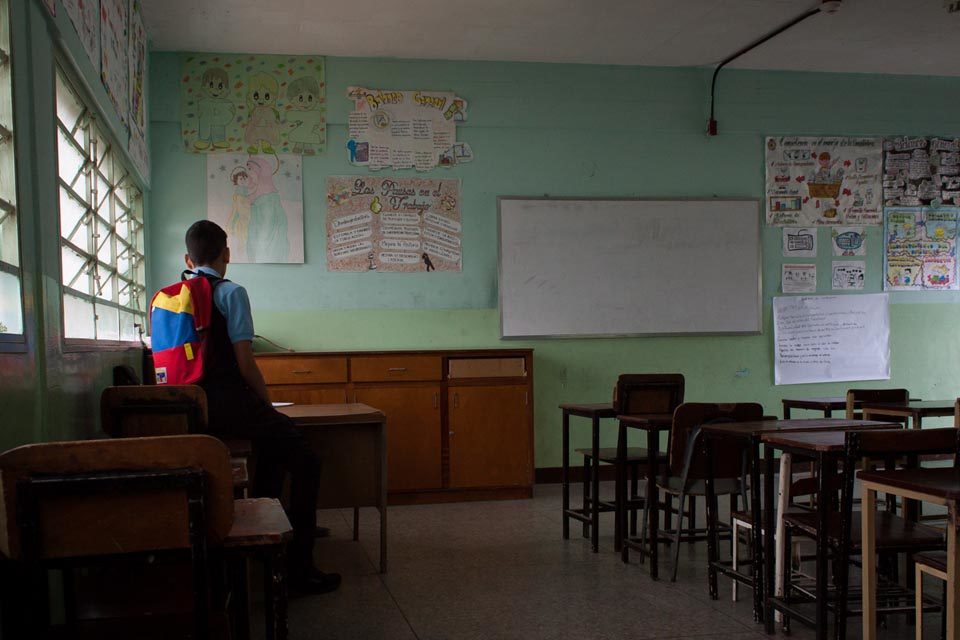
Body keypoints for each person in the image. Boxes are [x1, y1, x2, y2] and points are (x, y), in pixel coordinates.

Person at [182, 220, 340, 594]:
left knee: (272, 447)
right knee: (306, 460)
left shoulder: (172, 295)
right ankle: (299, 570)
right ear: (227, 255)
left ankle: (268, 536)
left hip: (188, 406)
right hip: (228, 400)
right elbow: (244, 361)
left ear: (187, 258)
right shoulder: (231, 292)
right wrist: (266, 403)